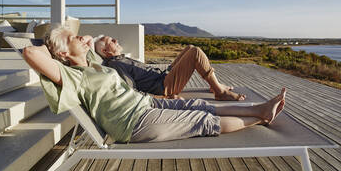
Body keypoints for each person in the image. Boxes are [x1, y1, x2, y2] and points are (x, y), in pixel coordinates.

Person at [23, 26, 286, 143]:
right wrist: (53, 48)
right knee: (200, 119)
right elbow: (30, 54)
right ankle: (260, 117)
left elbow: (91, 39)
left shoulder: (93, 63)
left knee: (198, 103)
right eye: (73, 38)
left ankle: (259, 107)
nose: (81, 37)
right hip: (132, 122)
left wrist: (73, 42)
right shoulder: (72, 75)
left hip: (144, 103)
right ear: (63, 55)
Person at [94, 36, 246, 101]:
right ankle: (220, 92)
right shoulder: (116, 65)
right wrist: (164, 98)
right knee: (195, 53)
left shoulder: (120, 59)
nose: (116, 40)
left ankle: (214, 85)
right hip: (164, 86)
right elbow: (131, 92)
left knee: (190, 47)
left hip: (163, 75)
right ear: (106, 52)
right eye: (111, 41)